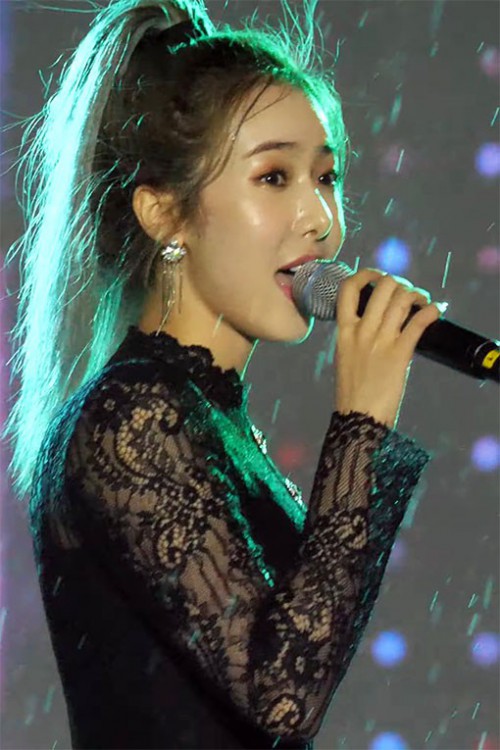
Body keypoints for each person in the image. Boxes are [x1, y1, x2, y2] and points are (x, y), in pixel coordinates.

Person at [3, 0, 445, 748]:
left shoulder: (203, 415)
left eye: (327, 176)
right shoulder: (131, 419)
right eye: (274, 177)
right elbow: (281, 699)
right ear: (164, 214)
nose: (321, 220)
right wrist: (361, 422)